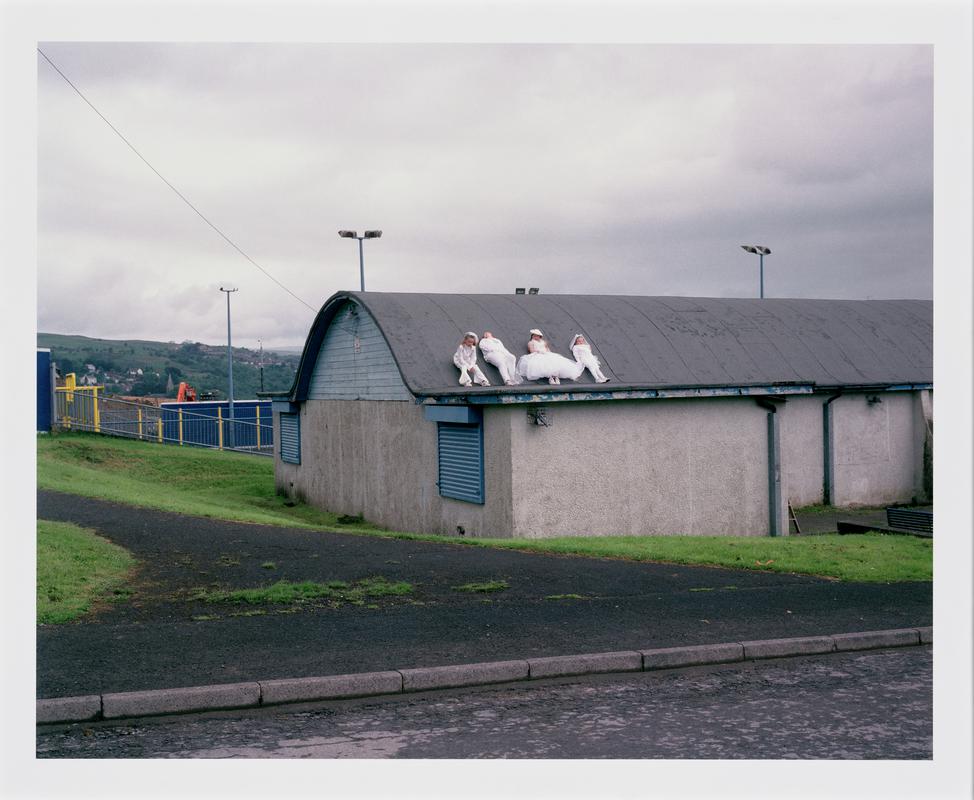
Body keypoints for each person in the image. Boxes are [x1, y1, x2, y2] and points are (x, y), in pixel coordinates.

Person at [517, 329, 584, 385]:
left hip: (546, 353)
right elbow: (532, 350)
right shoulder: (531, 342)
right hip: (538, 354)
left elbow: (547, 349)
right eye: (534, 335)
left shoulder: (543, 342)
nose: (535, 337)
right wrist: (539, 351)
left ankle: (556, 376)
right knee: (545, 365)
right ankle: (551, 378)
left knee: (555, 361)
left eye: (537, 336)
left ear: (540, 336)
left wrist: (549, 353)